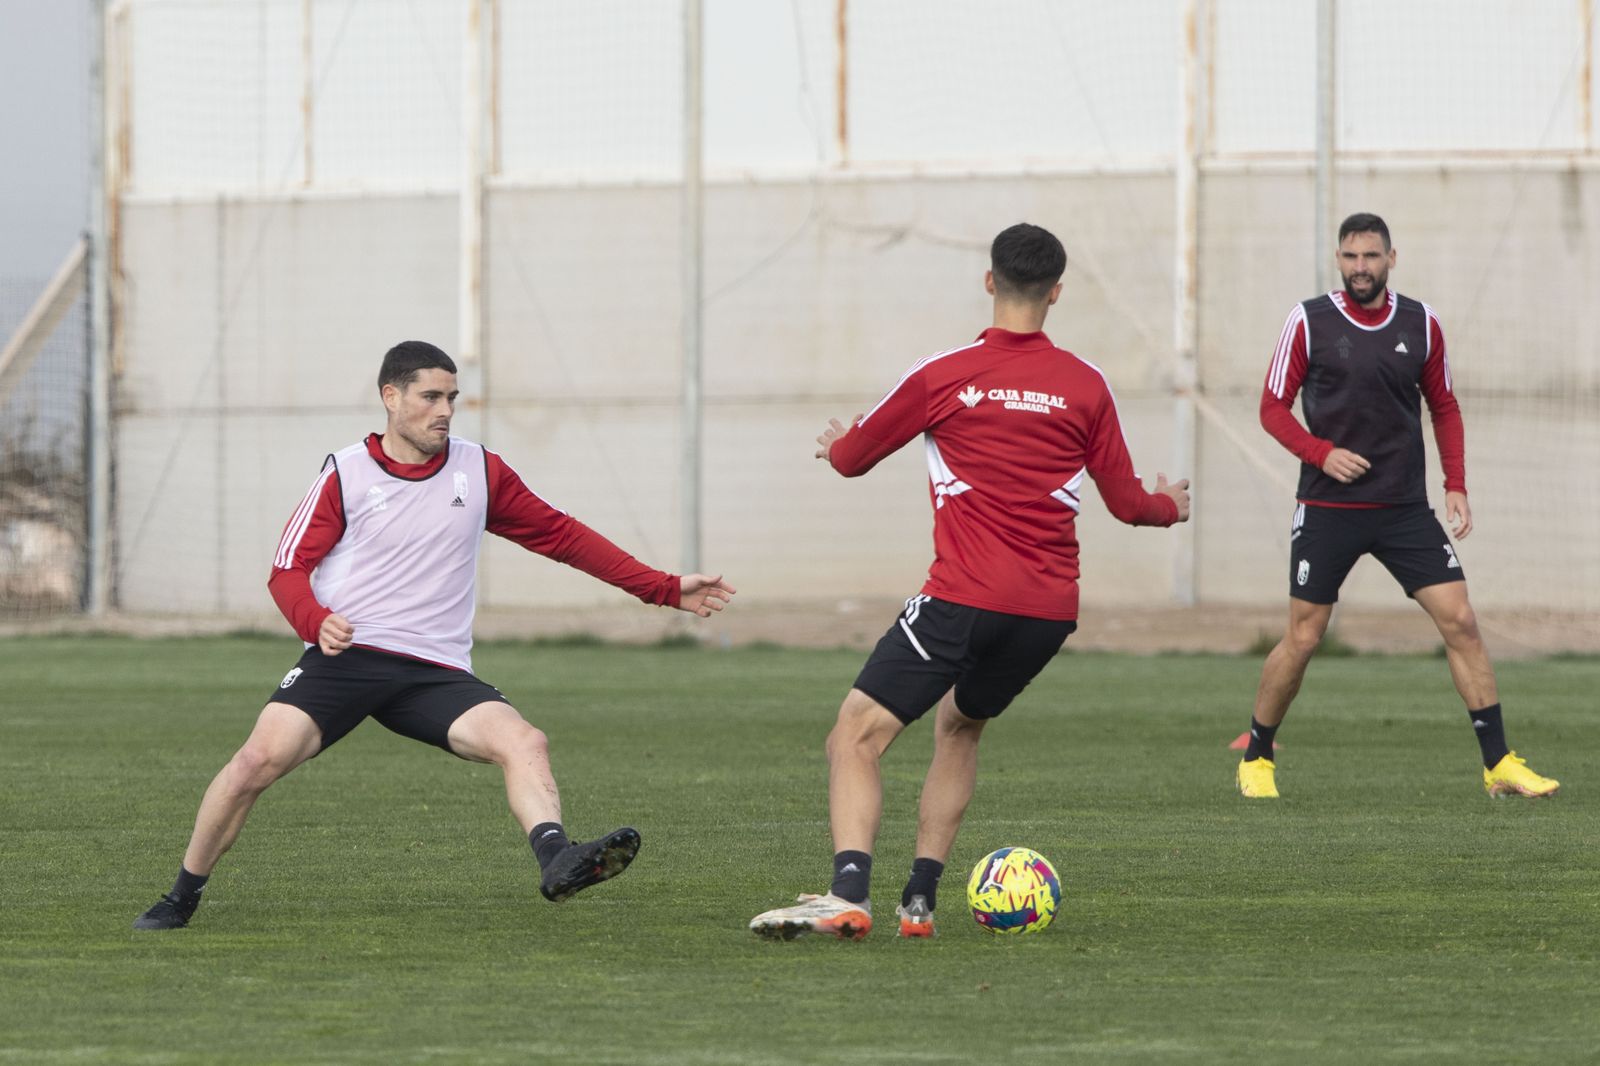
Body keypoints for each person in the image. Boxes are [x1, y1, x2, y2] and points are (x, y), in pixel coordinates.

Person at [133, 341, 736, 930]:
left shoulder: (480, 470)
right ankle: (180, 897)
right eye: (430, 397)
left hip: (434, 670)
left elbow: (562, 536)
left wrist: (661, 587)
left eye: (451, 398)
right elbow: (287, 569)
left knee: (525, 741)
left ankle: (558, 858)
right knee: (254, 763)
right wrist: (314, 621)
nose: (444, 410)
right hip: (348, 658)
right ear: (390, 397)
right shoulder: (346, 472)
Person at [748, 223, 1190, 941]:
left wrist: (836, 447)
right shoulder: (1086, 385)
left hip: (963, 597)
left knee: (854, 737)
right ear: (1056, 292)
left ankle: (847, 894)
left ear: (990, 281)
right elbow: (1129, 505)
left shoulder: (945, 373)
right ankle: (919, 903)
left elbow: (854, 459)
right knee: (960, 726)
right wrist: (1169, 504)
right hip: (1047, 613)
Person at [1236, 212, 1557, 800]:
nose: (1361, 267)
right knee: (1304, 637)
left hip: (1404, 508)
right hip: (1328, 507)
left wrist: (1455, 483)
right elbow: (1271, 408)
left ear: (1391, 258)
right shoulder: (1307, 321)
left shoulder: (1421, 322)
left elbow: (1445, 406)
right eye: (1351, 256)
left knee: (1461, 621)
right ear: (1338, 260)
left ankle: (1498, 764)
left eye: (1371, 256)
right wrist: (1321, 453)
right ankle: (1257, 757)